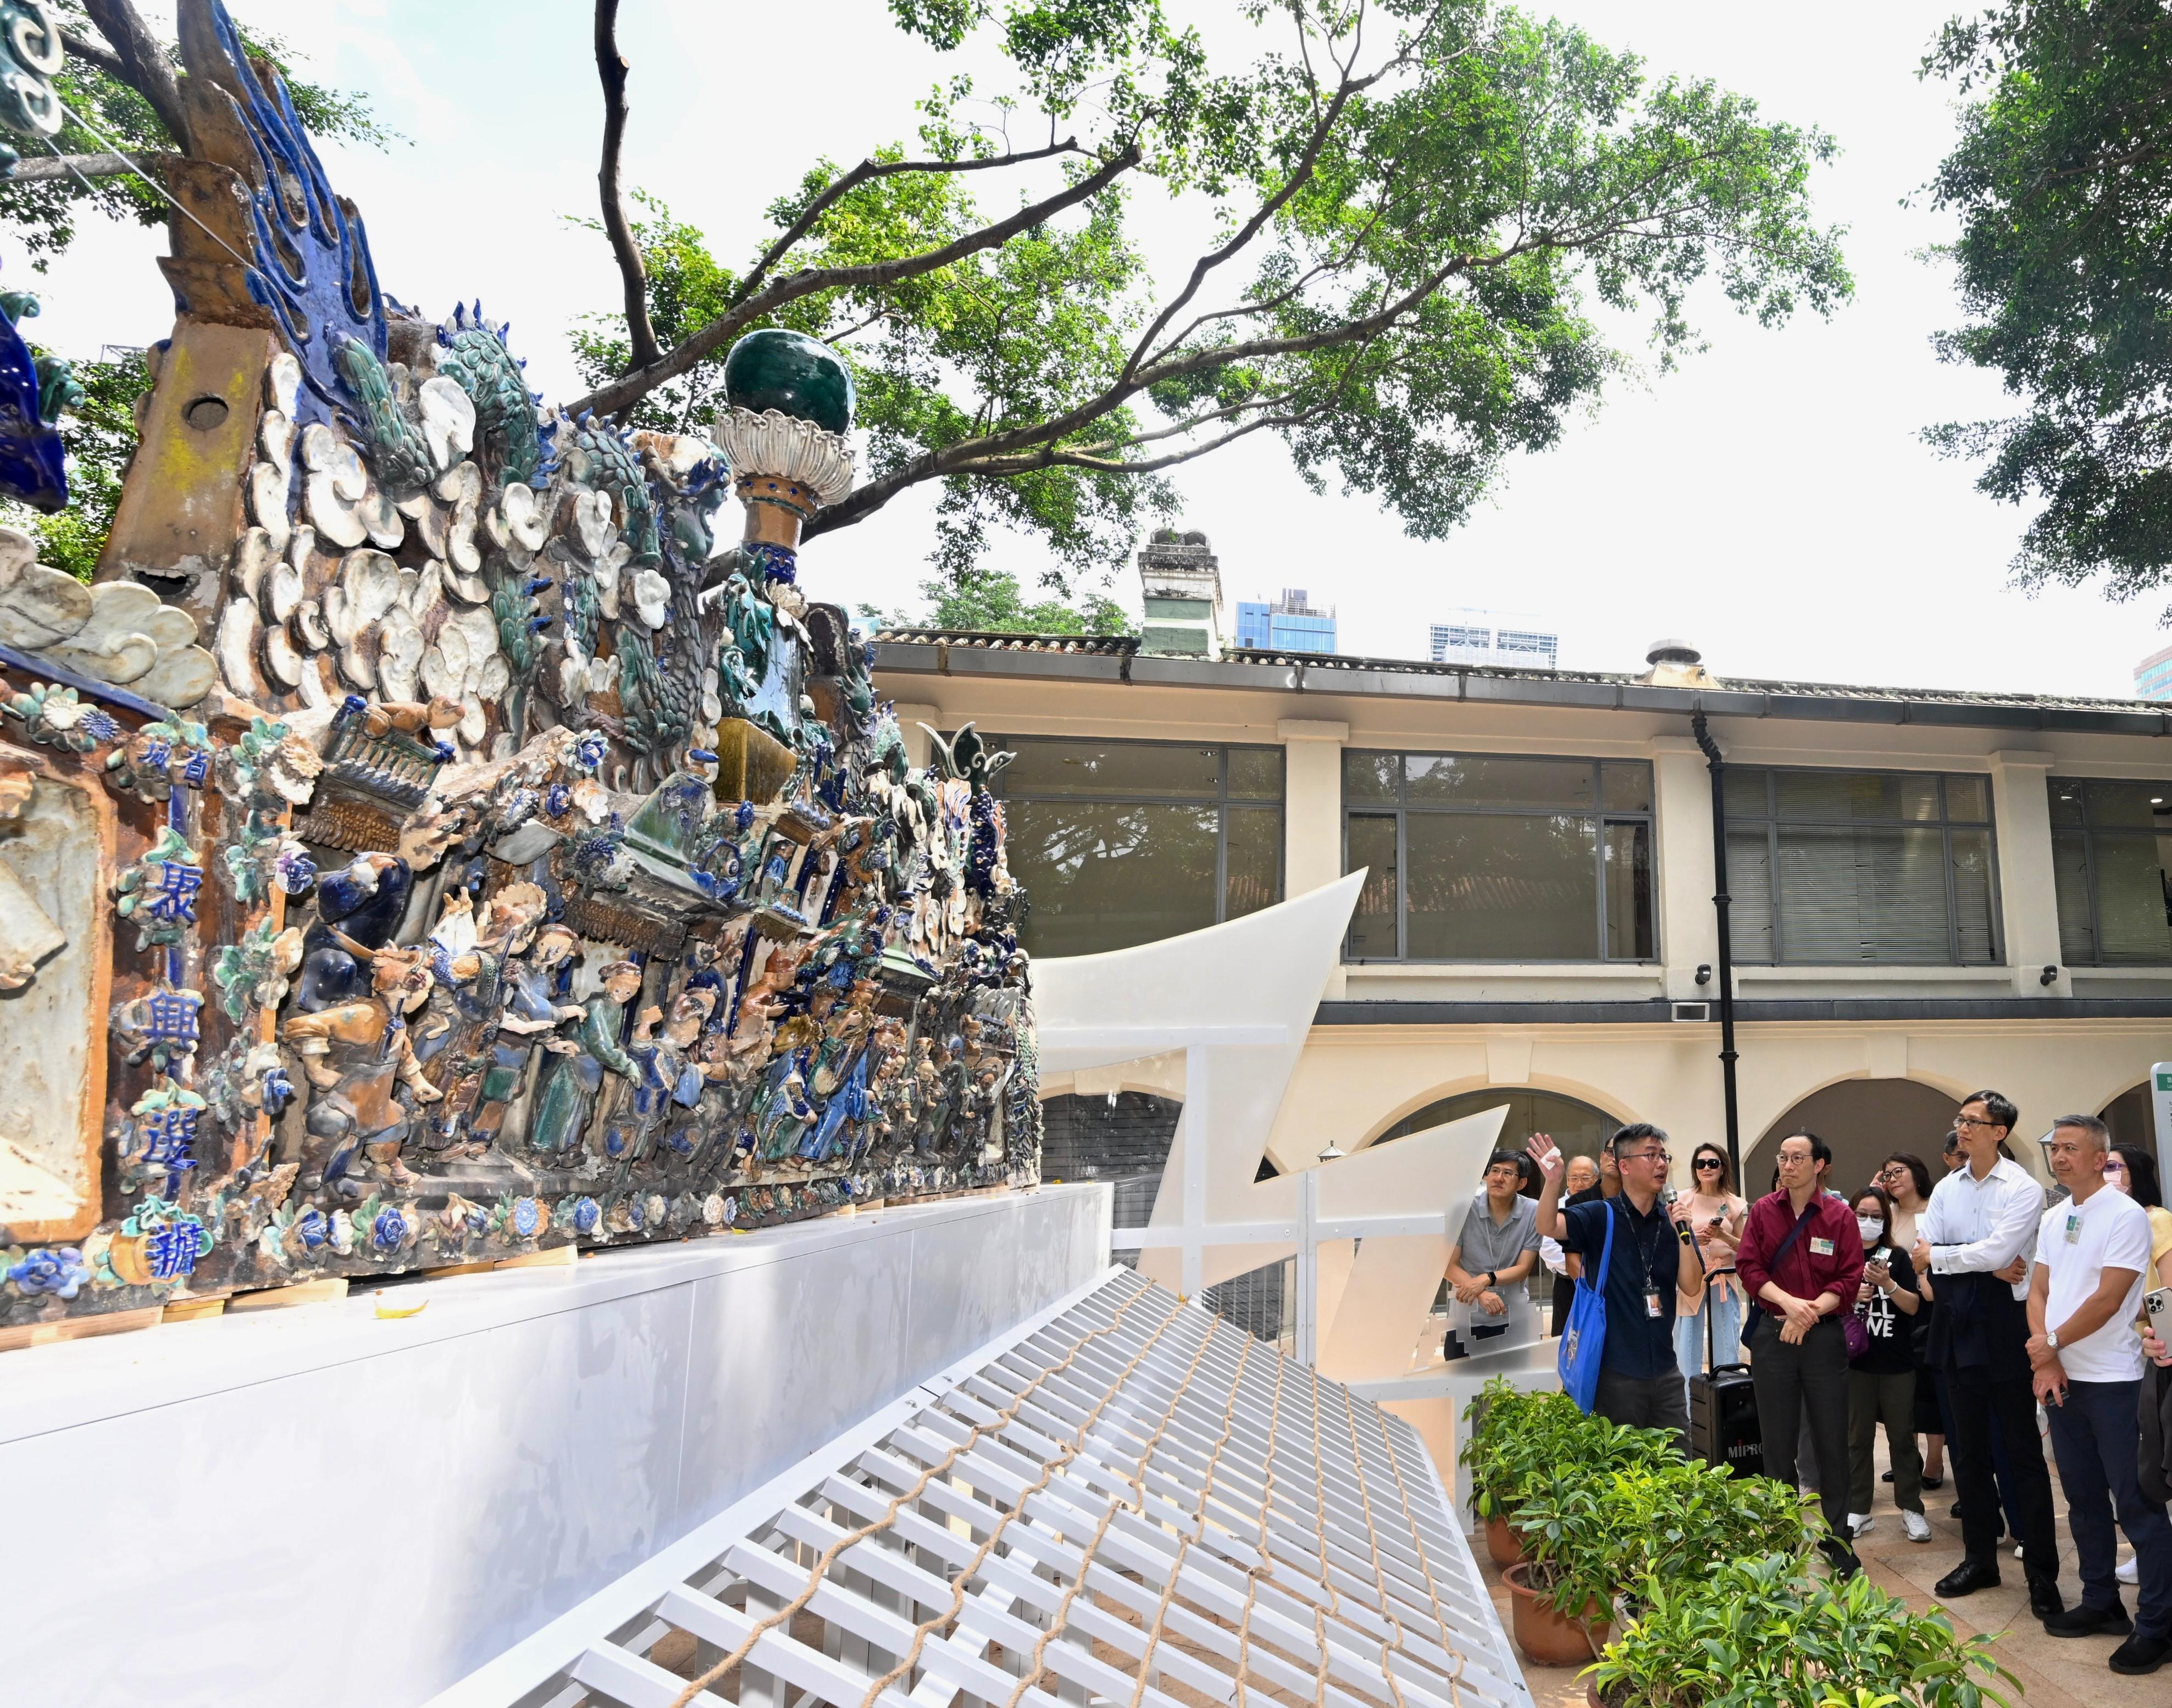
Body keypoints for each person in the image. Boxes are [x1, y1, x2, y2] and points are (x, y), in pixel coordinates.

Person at [2025, 1114, 2171, 1674]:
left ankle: (2157, 1625)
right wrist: (2048, 1353)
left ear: (2096, 1157)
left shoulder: (2126, 1215)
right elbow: (2039, 1288)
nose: (2059, 1157)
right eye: (2054, 1148)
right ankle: (2100, 1602)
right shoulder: (2054, 1215)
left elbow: (2111, 1298)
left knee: (2136, 1504)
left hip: (2114, 1380)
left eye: (2070, 1149)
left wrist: (2050, 1344)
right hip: (2062, 1378)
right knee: (2083, 1502)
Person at [1913, 1090, 2064, 1617]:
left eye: (1974, 1121)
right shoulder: (1948, 1189)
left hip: (2003, 1325)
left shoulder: (2022, 1188)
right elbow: (1922, 1253)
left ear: (1999, 1131)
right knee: (1968, 1452)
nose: (1964, 1128)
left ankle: (2042, 1572)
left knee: (2021, 1454)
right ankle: (1981, 1557)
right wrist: (1975, 1260)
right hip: (1954, 1323)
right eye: (1961, 1120)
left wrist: (1961, 1259)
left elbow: (2000, 1254)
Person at [1737, 1130, 1866, 1570]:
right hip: (1774, 1336)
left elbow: (1850, 1278)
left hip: (1824, 1337)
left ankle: (1838, 1540)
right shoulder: (1762, 1211)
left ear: (1820, 1165)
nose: (1788, 1165)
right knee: (1777, 1441)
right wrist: (1791, 1306)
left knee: (1832, 1440)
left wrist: (1809, 1314)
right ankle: (1782, 1534)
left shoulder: (1839, 1216)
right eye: (1783, 1157)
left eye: (1798, 1158)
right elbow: (1748, 1268)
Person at [1529, 1123, 1702, 1451]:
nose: (1662, 1163)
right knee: (1621, 1474)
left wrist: (1685, 1232)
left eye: (1664, 1156)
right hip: (1615, 1373)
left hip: (1666, 1372)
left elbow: (1692, 1287)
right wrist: (1552, 1182)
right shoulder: (1600, 1215)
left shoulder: (1674, 1221)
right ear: (1624, 1166)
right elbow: (1547, 1225)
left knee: (1679, 1469)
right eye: (1651, 1155)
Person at [1847, 1184, 1930, 1542]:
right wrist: (1852, 1295)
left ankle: (1911, 1509)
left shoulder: (1898, 1256)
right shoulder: (1842, 1255)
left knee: (1902, 1437)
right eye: (1861, 1215)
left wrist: (1889, 1284)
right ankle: (1859, 1510)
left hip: (1897, 1362)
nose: (1868, 1221)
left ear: (1886, 1220)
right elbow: (1822, 1301)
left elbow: (1914, 1306)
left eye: (1876, 1216)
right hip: (1856, 1362)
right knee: (1857, 1438)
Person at [2107, 1145, 2172, 1588]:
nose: (2107, 1173)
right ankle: (2146, 1551)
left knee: (2158, 1458)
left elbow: (2167, 1287)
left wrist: (2162, 1337)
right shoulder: (2110, 1221)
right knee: (2141, 1463)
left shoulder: (2157, 1219)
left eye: (2115, 1166)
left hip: (2155, 1352)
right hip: (2119, 1353)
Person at [1880, 1151, 1947, 1489]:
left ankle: (1935, 1462)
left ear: (1917, 1172)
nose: (1893, 1178)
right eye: (1887, 1174)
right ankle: (1908, 1456)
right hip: (1894, 1304)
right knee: (1903, 1387)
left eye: (1899, 1171)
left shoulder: (1935, 1208)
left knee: (1929, 1387)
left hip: (1929, 1303)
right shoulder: (1886, 1215)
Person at [1446, 1149, 1542, 1349]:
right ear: (1486, 1176)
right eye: (1494, 1171)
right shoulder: (1463, 1210)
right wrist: (1481, 1293)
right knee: (1461, 1379)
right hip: (1466, 1319)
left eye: (1508, 1173)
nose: (1499, 1178)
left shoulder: (1532, 1211)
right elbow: (1449, 1266)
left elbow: (1523, 1269)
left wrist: (1486, 1278)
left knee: (1515, 1380)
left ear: (1522, 1183)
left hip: (1514, 1319)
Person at [1675, 1141, 1747, 1392]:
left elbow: (1746, 1248)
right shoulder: (1683, 1199)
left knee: (1727, 1341)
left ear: (1723, 1168)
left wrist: (1722, 1236)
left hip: (1724, 1277)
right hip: (1691, 1278)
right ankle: (1686, 1411)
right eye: (1701, 1163)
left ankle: (1726, 1403)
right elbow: (1670, 1239)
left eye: (1713, 1163)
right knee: (1687, 1344)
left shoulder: (1734, 1204)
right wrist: (1694, 1240)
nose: (1706, 1168)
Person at [1544, 1153, 1603, 1337]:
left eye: (1585, 1178)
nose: (1579, 1184)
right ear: (1567, 1180)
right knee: (1565, 1341)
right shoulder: (1556, 1206)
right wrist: (1584, 1265)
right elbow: (1548, 1249)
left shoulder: (1604, 1204)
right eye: (1574, 1178)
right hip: (1567, 1286)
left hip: (1601, 1285)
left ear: (1596, 1179)